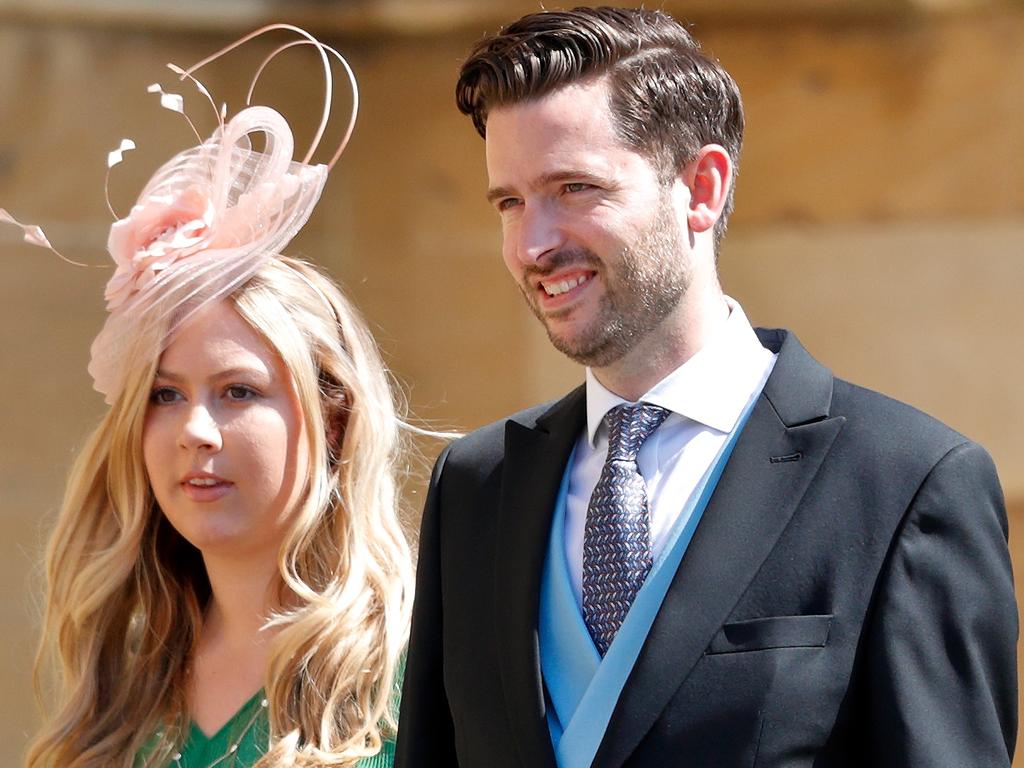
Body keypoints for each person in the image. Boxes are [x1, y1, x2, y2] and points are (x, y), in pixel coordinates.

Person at [396, 7, 1017, 767]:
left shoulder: (904, 484)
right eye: (509, 203)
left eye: (574, 188)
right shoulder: (474, 487)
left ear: (702, 186)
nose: (533, 244)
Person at [13, 26, 412, 768]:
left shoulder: (416, 673)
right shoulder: (124, 679)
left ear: (334, 416)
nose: (196, 429)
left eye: (239, 391)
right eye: (165, 394)